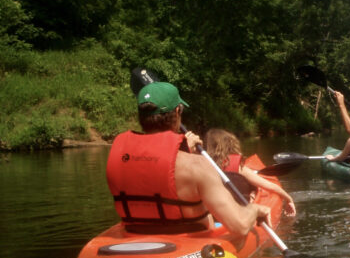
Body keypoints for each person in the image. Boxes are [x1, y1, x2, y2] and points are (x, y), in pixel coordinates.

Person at [106, 82, 270, 237]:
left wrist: (183, 150)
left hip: (135, 235)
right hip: (190, 239)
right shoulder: (197, 166)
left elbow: (159, 171)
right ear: (178, 111)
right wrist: (255, 209)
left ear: (141, 116)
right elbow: (240, 226)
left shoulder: (120, 160)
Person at [204, 128, 296, 217]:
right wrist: (289, 199)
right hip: (239, 214)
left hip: (215, 215)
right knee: (252, 189)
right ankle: (252, 195)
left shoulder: (203, 168)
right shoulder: (239, 168)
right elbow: (271, 186)